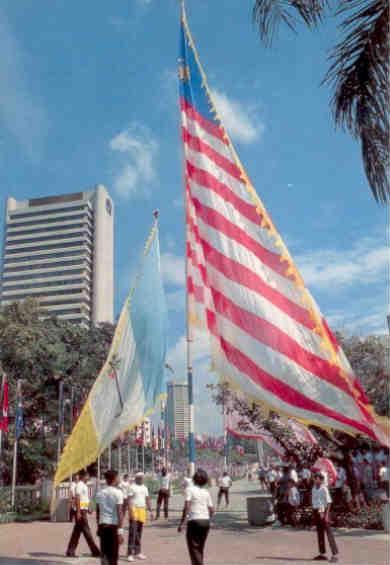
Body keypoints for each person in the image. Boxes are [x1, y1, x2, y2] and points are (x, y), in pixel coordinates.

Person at [178, 468, 214, 565]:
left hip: (194, 521)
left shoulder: (190, 490)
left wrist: (183, 522)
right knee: (199, 548)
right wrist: (209, 519)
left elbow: (187, 507)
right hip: (205, 522)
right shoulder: (206, 492)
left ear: (194, 479)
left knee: (194, 549)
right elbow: (211, 510)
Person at [66, 469, 100, 558]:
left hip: (83, 510)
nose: (88, 477)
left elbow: (84, 499)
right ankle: (95, 551)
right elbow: (77, 498)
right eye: (87, 476)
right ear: (83, 476)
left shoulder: (84, 485)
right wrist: (78, 512)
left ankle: (70, 551)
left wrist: (88, 508)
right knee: (86, 531)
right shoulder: (80, 485)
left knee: (77, 532)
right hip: (80, 511)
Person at [96, 470, 124, 565]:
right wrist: (120, 532)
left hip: (103, 525)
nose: (119, 479)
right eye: (118, 477)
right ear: (115, 479)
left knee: (104, 554)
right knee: (113, 555)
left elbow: (98, 512)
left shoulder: (100, 493)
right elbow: (120, 513)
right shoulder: (118, 493)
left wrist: (98, 527)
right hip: (113, 527)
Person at [311, 472, 338, 563]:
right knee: (319, 532)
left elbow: (329, 502)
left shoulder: (324, 489)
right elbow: (314, 500)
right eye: (314, 478)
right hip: (316, 510)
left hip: (322, 510)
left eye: (317, 478)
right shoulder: (313, 488)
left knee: (328, 533)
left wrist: (326, 515)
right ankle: (322, 553)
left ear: (321, 479)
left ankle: (335, 554)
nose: (315, 479)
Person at [127, 472, 153, 562]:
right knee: (133, 532)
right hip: (134, 509)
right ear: (137, 478)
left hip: (142, 510)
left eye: (143, 478)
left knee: (139, 532)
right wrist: (131, 512)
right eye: (141, 478)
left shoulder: (145, 487)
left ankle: (137, 552)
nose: (142, 479)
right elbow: (129, 500)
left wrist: (150, 510)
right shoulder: (132, 487)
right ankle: (130, 553)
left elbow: (147, 499)